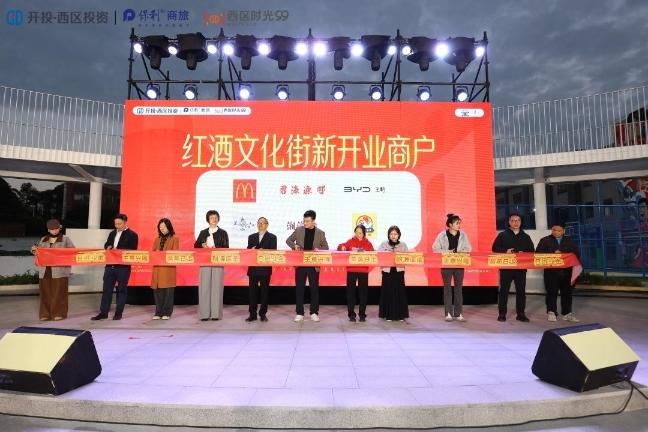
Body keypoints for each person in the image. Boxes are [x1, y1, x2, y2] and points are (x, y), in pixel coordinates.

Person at [91, 213, 139, 321]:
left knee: (121, 290)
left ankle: (118, 313)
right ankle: (103, 313)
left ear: (125, 223)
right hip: (110, 266)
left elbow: (133, 250)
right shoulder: (112, 233)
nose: (117, 226)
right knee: (106, 289)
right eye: (116, 224)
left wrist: (118, 250)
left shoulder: (132, 235)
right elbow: (107, 244)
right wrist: (108, 247)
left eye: (119, 224)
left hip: (123, 267)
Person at [286, 209, 329, 323]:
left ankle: (314, 313)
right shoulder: (299, 230)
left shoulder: (320, 233)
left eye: (308, 221)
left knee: (314, 289)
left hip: (314, 265)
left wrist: (319, 250)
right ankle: (299, 313)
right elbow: (288, 240)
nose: (305, 223)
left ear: (313, 221)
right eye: (304, 221)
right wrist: (294, 246)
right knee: (299, 289)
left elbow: (326, 247)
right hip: (300, 264)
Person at [491, 213, 535, 322]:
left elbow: (532, 251)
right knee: (504, 291)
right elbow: (495, 248)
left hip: (521, 268)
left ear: (521, 222)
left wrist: (523, 253)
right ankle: (502, 314)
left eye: (518, 220)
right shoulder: (502, 235)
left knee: (521, 292)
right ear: (509, 222)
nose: (516, 222)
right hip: (506, 268)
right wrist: (505, 251)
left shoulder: (526, 236)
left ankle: (521, 314)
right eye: (513, 220)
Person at [536, 222, 580, 322]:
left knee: (567, 293)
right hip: (551, 272)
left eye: (559, 230)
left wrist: (563, 254)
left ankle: (567, 313)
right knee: (551, 293)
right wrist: (552, 254)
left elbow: (576, 254)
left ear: (563, 231)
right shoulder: (545, 240)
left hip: (567, 272)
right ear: (552, 230)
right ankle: (551, 312)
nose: (556, 232)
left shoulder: (569, 240)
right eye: (554, 230)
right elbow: (538, 255)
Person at [31, 219, 74, 321]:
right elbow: (37, 252)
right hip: (45, 271)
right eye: (52, 229)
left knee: (59, 293)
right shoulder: (43, 239)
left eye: (56, 229)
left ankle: (58, 313)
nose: (54, 231)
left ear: (60, 228)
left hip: (60, 271)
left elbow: (73, 251)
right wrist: (33, 249)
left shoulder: (65, 239)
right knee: (45, 293)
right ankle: (45, 314)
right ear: (48, 230)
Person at [432, 213, 472, 322]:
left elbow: (469, 248)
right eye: (457, 223)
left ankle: (458, 314)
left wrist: (459, 252)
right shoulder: (442, 235)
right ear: (450, 224)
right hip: (446, 264)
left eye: (459, 223)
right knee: (447, 289)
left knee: (458, 289)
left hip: (459, 264)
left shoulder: (463, 235)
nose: (459, 225)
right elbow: (435, 248)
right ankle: (448, 313)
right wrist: (446, 252)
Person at [194, 210, 229, 321]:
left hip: (218, 262)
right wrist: (202, 245)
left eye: (216, 217)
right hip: (205, 262)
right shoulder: (203, 232)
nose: (214, 219)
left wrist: (216, 248)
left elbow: (226, 248)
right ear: (208, 220)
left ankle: (215, 314)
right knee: (204, 287)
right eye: (211, 217)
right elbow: (196, 246)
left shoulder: (223, 233)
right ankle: (204, 314)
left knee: (217, 287)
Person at [337, 224, 375, 322]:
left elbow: (373, 254)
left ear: (364, 233)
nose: (358, 234)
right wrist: (343, 248)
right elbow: (340, 247)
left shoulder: (368, 243)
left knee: (363, 294)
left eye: (360, 233)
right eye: (357, 232)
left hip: (363, 270)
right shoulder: (350, 241)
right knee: (350, 294)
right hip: (351, 270)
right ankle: (351, 315)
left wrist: (366, 252)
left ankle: (362, 314)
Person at [246, 217, 277, 322]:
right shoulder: (251, 237)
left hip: (265, 269)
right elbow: (247, 251)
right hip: (253, 269)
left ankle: (263, 314)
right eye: (259, 223)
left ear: (267, 225)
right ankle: (252, 314)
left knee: (264, 293)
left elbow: (274, 252)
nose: (261, 224)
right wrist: (251, 250)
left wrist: (265, 251)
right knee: (252, 293)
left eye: (263, 223)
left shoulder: (272, 237)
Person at [378, 225, 409, 322]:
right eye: (391, 234)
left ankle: (400, 315)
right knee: (388, 292)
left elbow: (407, 257)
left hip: (399, 271)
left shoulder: (403, 245)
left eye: (395, 234)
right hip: (387, 271)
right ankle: (388, 314)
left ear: (399, 235)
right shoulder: (384, 244)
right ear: (388, 235)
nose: (393, 236)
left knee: (399, 292)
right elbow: (379, 256)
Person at [150, 218, 179, 320]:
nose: (162, 229)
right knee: (157, 291)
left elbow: (175, 254)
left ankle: (167, 312)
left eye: (164, 227)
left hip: (168, 269)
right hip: (157, 268)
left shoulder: (174, 239)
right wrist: (156, 253)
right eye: (160, 227)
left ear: (169, 227)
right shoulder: (157, 239)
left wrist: (163, 254)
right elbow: (152, 253)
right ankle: (158, 312)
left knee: (168, 292)